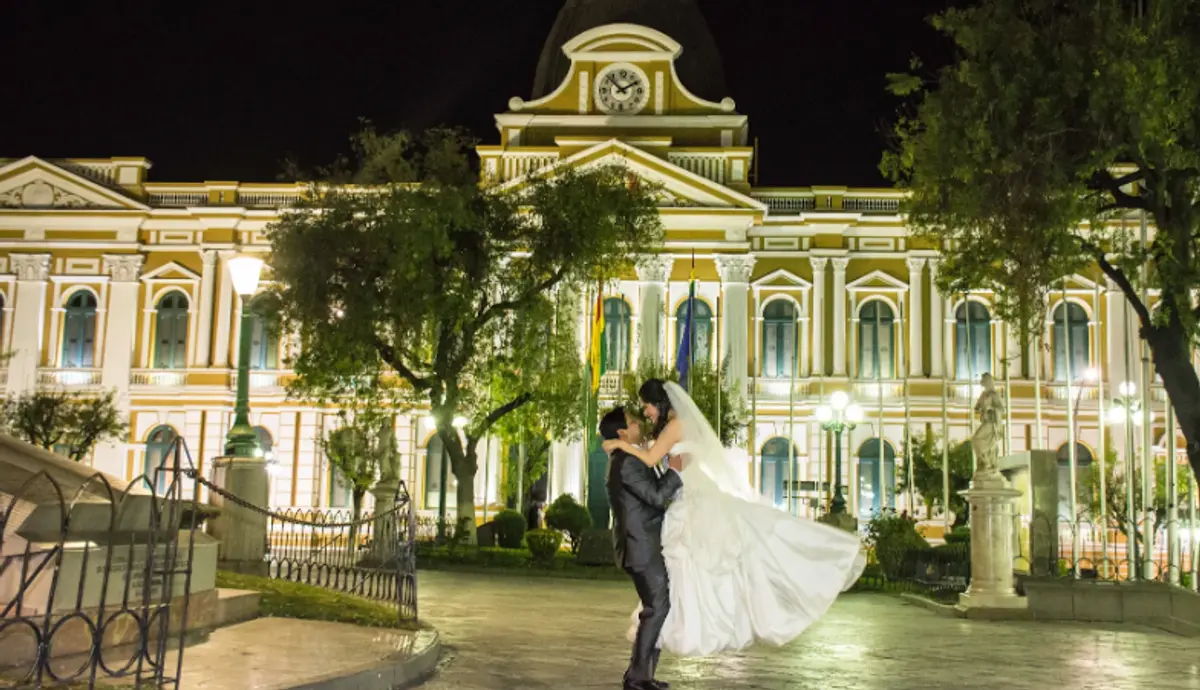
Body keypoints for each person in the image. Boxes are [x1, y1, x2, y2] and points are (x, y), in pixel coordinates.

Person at [602, 379, 866, 658]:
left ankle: (690, 630)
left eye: (647, 407)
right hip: (686, 497)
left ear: (659, 402)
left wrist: (621, 444)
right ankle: (676, 630)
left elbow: (651, 459)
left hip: (691, 497)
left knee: (702, 562)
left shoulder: (675, 425)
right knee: (689, 570)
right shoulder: (675, 425)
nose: (646, 413)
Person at [602, 405, 682, 690]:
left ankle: (643, 675)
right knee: (657, 607)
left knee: (656, 607)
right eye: (633, 423)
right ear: (623, 432)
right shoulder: (627, 462)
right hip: (642, 547)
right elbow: (657, 497)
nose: (639, 425)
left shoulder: (627, 459)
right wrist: (675, 472)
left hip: (642, 545)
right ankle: (637, 677)